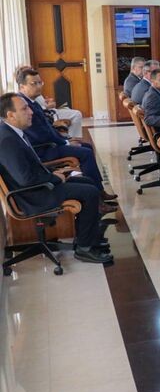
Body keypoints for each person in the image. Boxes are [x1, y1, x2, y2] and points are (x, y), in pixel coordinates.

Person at [0, 93, 112, 264]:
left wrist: (56, 175)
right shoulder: (7, 139)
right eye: (24, 109)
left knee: (87, 182)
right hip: (31, 195)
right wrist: (55, 178)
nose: (31, 112)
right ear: (10, 115)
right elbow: (25, 179)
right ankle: (84, 248)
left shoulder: (12, 132)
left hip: (38, 186)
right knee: (90, 192)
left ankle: (87, 238)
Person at [16, 68, 113, 201]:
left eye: (40, 82)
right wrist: (66, 142)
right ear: (22, 86)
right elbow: (41, 135)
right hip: (43, 149)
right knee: (86, 153)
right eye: (34, 83)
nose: (39, 86)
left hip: (49, 144)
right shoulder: (24, 106)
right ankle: (97, 196)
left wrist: (66, 139)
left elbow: (48, 128)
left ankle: (99, 190)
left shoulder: (32, 102)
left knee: (87, 147)